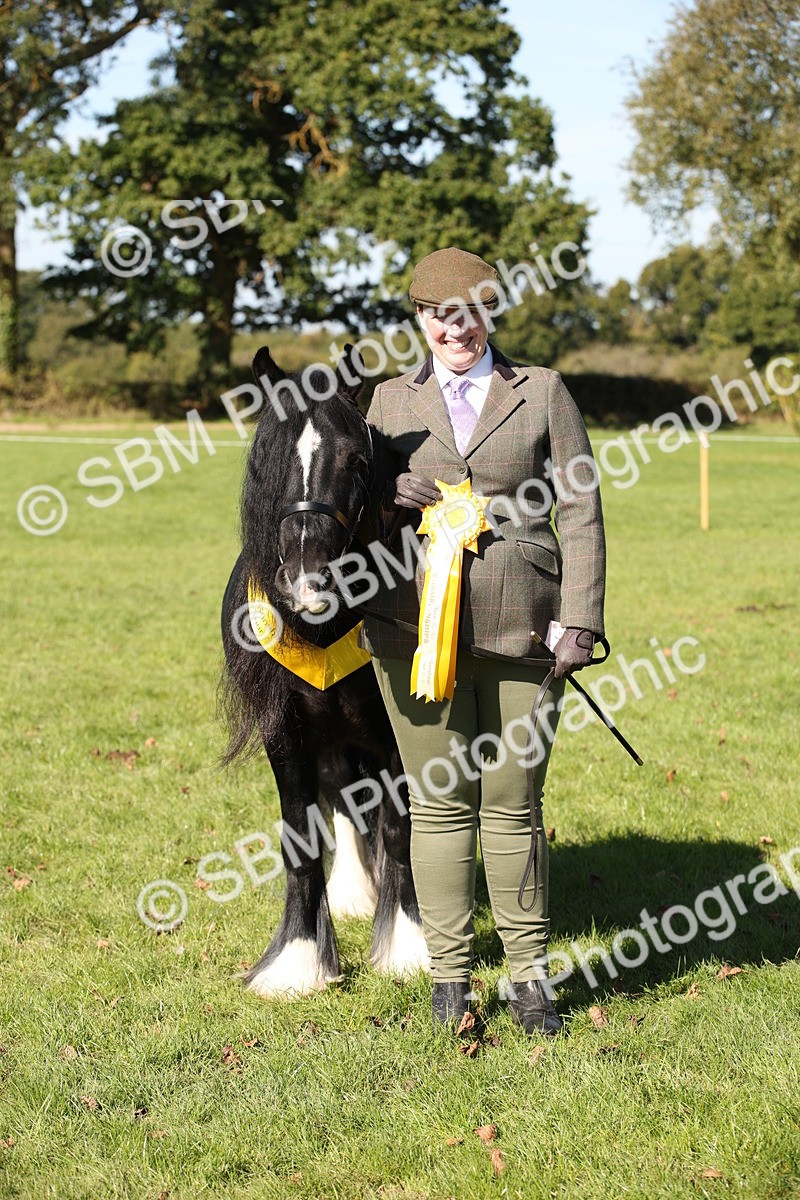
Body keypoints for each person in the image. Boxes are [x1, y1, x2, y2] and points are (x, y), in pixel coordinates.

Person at [359, 246, 606, 1036]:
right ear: (420, 319)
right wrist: (385, 490)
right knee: (437, 808)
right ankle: (451, 979)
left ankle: (530, 979)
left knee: (513, 805)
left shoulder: (545, 393)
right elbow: (347, 502)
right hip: (410, 632)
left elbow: (581, 512)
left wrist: (584, 616)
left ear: (489, 312)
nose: (453, 327)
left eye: (467, 312)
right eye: (437, 313)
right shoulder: (385, 402)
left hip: (526, 628)